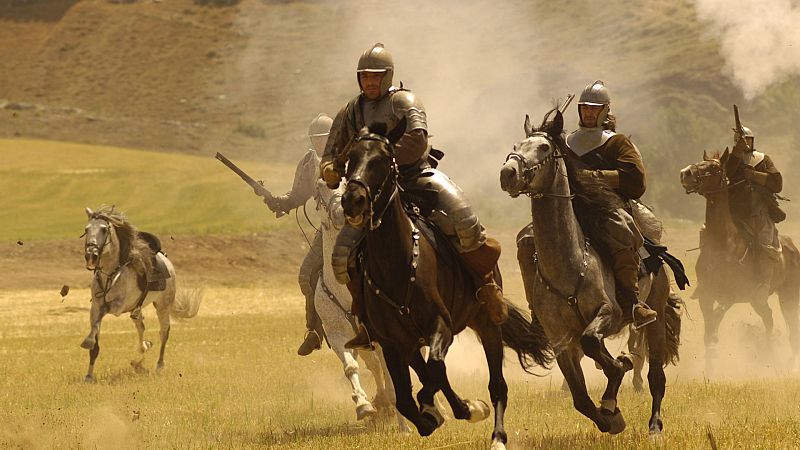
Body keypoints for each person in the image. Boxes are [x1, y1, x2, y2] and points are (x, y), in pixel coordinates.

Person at [319, 43, 508, 349]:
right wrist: (329, 168)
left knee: (464, 220)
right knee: (342, 257)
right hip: (374, 191)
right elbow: (332, 153)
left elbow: (418, 141)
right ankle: (367, 318)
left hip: (416, 176)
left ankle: (487, 287)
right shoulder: (350, 111)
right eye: (364, 76)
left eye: (375, 76)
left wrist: (385, 159)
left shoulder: (404, 102)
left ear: (388, 76)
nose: (369, 82)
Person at [564, 80, 658, 329]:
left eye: (594, 108)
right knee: (531, 239)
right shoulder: (566, 143)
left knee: (622, 230)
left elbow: (635, 179)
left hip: (607, 208)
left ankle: (632, 302)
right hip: (571, 207)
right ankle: (538, 310)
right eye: (585, 108)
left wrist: (595, 178)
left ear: (605, 110)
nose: (588, 113)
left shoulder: (617, 143)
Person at [263, 113, 333, 355]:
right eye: (316, 138)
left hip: (354, 225)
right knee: (307, 275)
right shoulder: (308, 162)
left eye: (323, 138)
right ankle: (315, 331)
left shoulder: (348, 155)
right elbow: (298, 195)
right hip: (327, 229)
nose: (319, 143)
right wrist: (278, 202)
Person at [727, 125, 784, 286]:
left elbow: (777, 183)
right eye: (743, 140)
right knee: (710, 236)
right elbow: (727, 174)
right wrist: (736, 153)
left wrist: (754, 175)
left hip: (760, 214)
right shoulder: (732, 160)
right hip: (735, 215)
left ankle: (763, 285)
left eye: (748, 140)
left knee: (765, 247)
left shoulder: (763, 159)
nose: (746, 143)